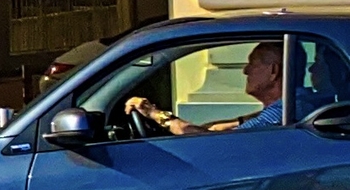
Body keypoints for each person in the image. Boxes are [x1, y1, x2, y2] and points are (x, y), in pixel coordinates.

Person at [121, 39, 285, 136]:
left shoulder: (279, 114)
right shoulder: (290, 105)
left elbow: (218, 143)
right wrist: (223, 125)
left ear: (273, 71)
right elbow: (234, 126)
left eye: (252, 64)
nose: (245, 70)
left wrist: (154, 114)